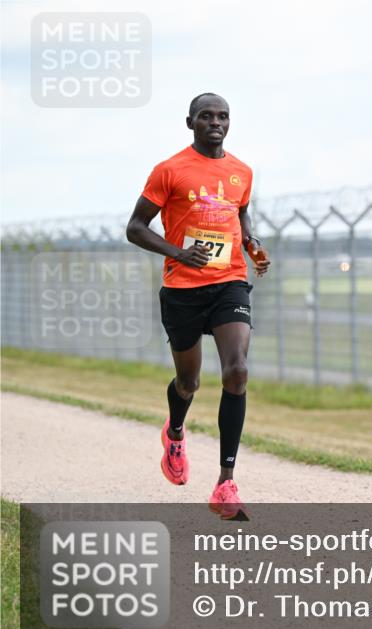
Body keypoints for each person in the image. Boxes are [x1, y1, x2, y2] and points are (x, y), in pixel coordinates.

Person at [126, 92, 269, 521]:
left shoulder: (241, 171)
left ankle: (226, 483)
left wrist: (252, 244)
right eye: (206, 116)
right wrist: (178, 252)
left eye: (223, 116)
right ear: (190, 122)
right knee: (189, 382)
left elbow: (239, 215)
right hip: (182, 287)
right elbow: (135, 228)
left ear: (230, 123)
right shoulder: (169, 170)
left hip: (228, 282)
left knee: (237, 370)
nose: (215, 122)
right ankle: (174, 432)